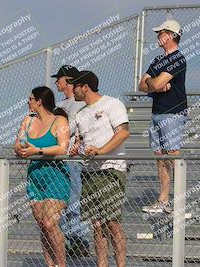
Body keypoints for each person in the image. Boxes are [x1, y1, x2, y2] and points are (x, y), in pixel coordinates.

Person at [69, 70, 129, 267]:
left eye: (75, 86)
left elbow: (123, 133)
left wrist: (101, 151)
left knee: (112, 223)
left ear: (85, 87)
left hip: (111, 169)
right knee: (97, 225)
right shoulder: (80, 114)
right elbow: (80, 142)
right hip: (89, 172)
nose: (72, 90)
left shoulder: (112, 103)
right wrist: (75, 149)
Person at [14, 86, 70, 267]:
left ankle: (61, 264)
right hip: (35, 176)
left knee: (49, 223)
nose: (28, 102)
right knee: (42, 225)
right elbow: (18, 144)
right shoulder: (27, 121)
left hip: (55, 174)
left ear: (39, 101)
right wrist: (21, 149)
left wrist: (37, 150)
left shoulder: (59, 121)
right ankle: (49, 264)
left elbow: (62, 148)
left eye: (30, 99)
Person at [138, 19, 188, 213]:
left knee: (173, 156)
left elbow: (155, 84)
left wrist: (154, 84)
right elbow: (143, 85)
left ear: (172, 35)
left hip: (173, 112)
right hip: (157, 112)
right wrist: (155, 84)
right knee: (160, 157)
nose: (158, 36)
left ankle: (179, 202)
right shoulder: (158, 60)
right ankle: (163, 200)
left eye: (162, 33)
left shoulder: (178, 58)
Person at [51, 65, 90, 256]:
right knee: (62, 203)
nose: (56, 82)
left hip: (74, 160)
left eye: (58, 79)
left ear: (67, 79)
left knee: (73, 201)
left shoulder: (80, 103)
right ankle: (72, 241)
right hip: (59, 160)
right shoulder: (60, 105)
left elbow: (78, 129)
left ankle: (80, 241)